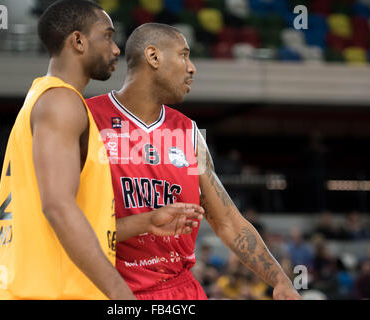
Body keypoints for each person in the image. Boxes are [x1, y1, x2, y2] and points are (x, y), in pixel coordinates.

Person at [0, 1, 202, 300]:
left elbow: (6, 198)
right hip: (51, 292)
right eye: (107, 36)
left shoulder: (41, 99)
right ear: (78, 41)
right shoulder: (62, 103)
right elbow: (58, 207)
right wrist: (122, 296)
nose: (116, 49)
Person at [85, 23, 300, 300]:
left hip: (180, 290)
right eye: (184, 55)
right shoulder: (87, 118)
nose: (192, 68)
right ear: (153, 57)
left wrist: (280, 280)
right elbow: (65, 220)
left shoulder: (189, 133)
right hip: (107, 289)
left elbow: (228, 223)